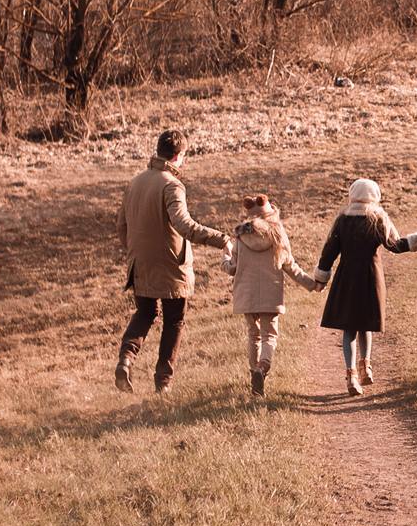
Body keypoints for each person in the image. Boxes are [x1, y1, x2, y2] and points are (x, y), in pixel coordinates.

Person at [114, 130, 229, 393]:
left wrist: (134, 251)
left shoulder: (135, 182)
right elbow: (184, 225)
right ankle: (163, 383)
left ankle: (126, 359)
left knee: (145, 313)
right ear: (179, 155)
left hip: (139, 263)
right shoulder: (171, 185)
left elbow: (122, 225)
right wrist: (221, 239)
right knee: (174, 320)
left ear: (158, 151)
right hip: (171, 265)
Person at [316, 179, 417, 396]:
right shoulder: (378, 219)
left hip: (346, 277)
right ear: (375, 196)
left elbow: (330, 251)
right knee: (365, 324)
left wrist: (322, 276)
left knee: (349, 328)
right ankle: (366, 368)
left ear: (352, 195)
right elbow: (394, 245)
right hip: (371, 277)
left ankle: (351, 375)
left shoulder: (342, 220)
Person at [221, 193, 324, 396]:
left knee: (253, 336)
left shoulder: (240, 238)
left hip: (246, 295)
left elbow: (231, 269)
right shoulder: (277, 235)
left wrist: (225, 255)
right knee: (269, 336)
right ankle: (262, 368)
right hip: (271, 295)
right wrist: (312, 285)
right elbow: (291, 267)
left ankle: (253, 374)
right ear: (270, 213)